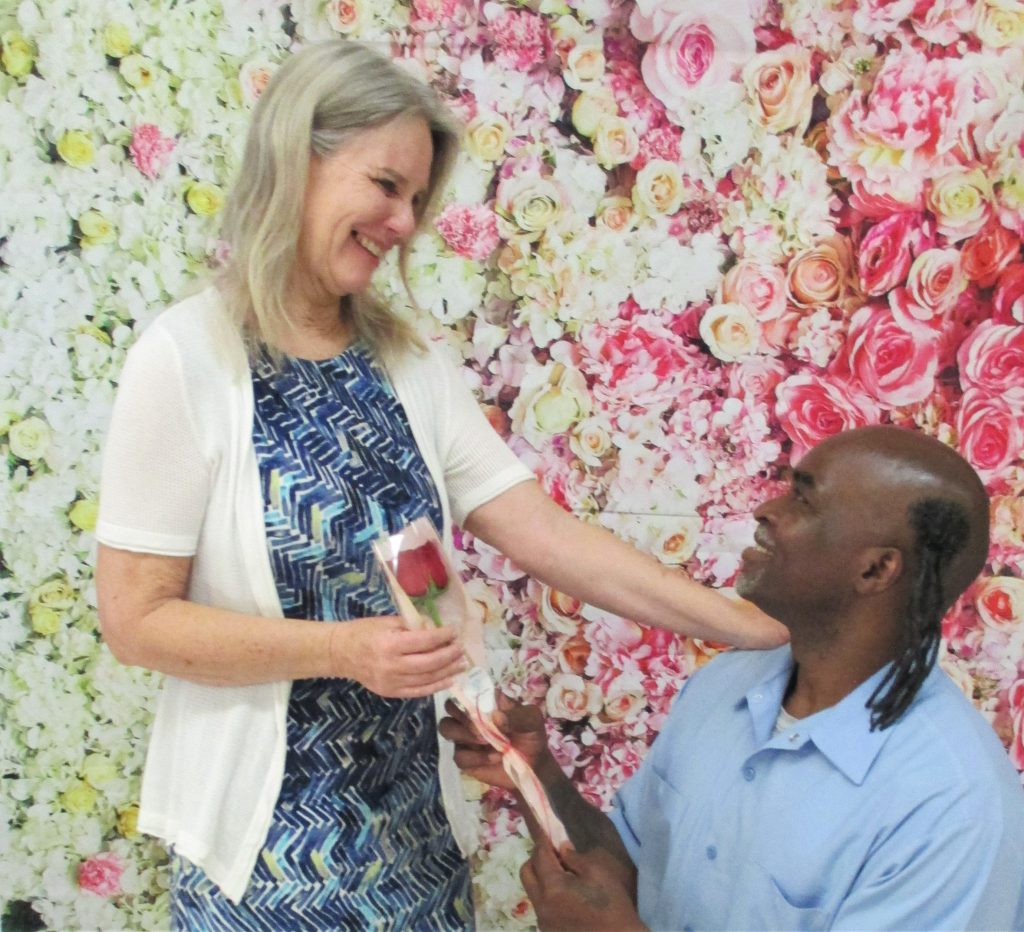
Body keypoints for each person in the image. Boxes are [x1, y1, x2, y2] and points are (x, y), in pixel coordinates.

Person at [94, 39, 785, 930]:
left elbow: (543, 532)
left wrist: (751, 628)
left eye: (418, 200)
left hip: (415, 850)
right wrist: (342, 651)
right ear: (298, 156)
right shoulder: (185, 358)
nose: (404, 223)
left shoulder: (407, 362)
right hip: (260, 869)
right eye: (387, 186)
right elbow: (136, 621)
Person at [443, 425, 1024, 931]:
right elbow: (634, 868)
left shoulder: (952, 809)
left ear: (875, 569)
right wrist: (535, 774)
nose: (765, 510)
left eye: (803, 500)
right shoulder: (725, 685)